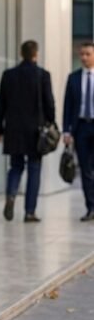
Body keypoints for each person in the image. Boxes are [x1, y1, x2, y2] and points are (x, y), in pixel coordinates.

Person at [0, 40, 55, 223]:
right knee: (34, 168)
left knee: (15, 166)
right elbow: (49, 103)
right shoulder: (42, 75)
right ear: (36, 54)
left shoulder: (9, 75)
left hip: (13, 129)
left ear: (22, 54)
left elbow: (1, 105)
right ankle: (29, 212)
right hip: (36, 131)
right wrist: (52, 123)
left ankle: (11, 195)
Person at [63, 41, 94, 221]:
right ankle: (91, 207)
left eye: (88, 54)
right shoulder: (73, 78)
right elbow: (68, 106)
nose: (84, 57)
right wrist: (66, 131)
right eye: (82, 54)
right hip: (81, 127)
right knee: (85, 169)